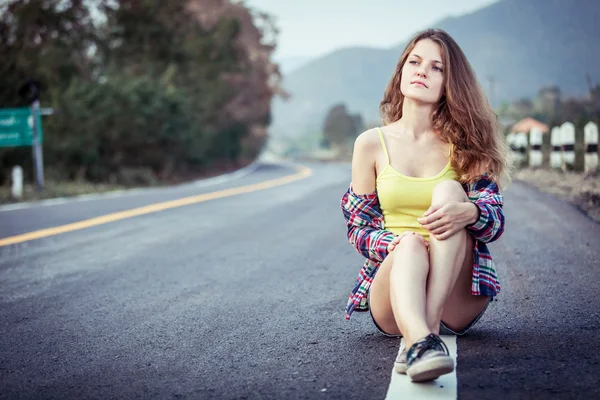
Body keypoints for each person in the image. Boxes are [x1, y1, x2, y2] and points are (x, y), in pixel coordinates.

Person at [340, 28, 510, 383]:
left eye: (436, 68)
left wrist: (472, 211)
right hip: (394, 290)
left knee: (450, 193)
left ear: (450, 83)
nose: (422, 71)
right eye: (415, 62)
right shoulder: (371, 144)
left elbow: (494, 220)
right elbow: (359, 230)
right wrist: (399, 243)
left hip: (455, 293)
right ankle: (422, 338)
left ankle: (424, 333)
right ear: (401, 70)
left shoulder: (466, 145)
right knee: (411, 243)